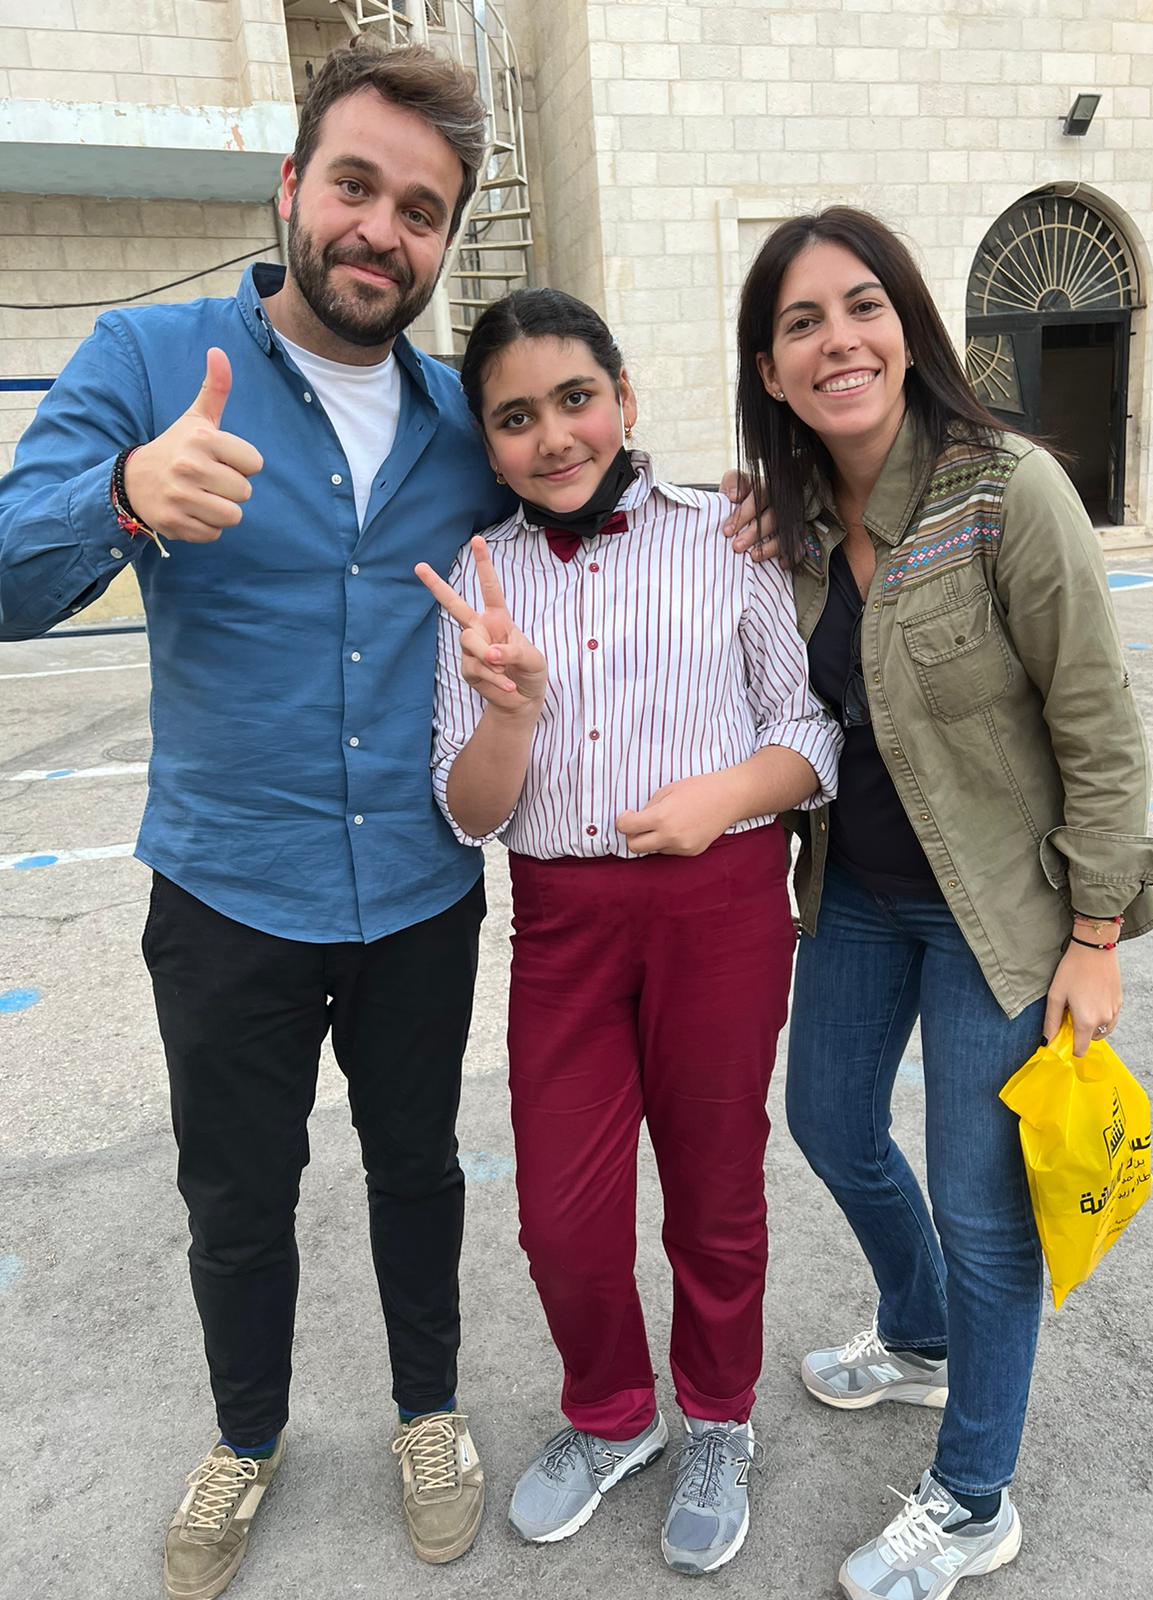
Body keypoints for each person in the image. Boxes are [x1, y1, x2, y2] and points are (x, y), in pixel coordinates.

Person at [0, 39, 515, 1597]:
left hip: (420, 889)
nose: (381, 230)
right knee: (236, 1195)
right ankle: (246, 1435)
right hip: (228, 892)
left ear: (444, 239)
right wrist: (122, 497)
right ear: (291, 186)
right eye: (355, 185)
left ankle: (427, 1412)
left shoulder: (460, 421)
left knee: (419, 1169)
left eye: (420, 210)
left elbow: (598, 514)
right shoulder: (151, 360)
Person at [734, 206, 1153, 1600]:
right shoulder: (796, 524)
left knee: (985, 1208)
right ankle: (920, 1332)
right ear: (771, 372)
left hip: (1004, 909)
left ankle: (975, 1496)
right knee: (827, 1119)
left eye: (861, 306)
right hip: (862, 895)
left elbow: (1098, 724)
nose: (838, 341)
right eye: (801, 323)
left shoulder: (1007, 489)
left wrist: (1097, 936)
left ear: (908, 324)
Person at [417, 287, 843, 1575]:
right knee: (562, 1213)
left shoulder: (726, 537)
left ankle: (716, 1417)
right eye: (516, 417)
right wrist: (510, 710)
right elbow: (470, 812)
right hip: (563, 924)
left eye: (576, 398)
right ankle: (612, 1414)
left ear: (624, 399)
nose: (554, 435)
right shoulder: (479, 579)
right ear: (489, 445)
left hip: (719, 906)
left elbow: (810, 731)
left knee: (715, 1191)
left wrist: (721, 798)